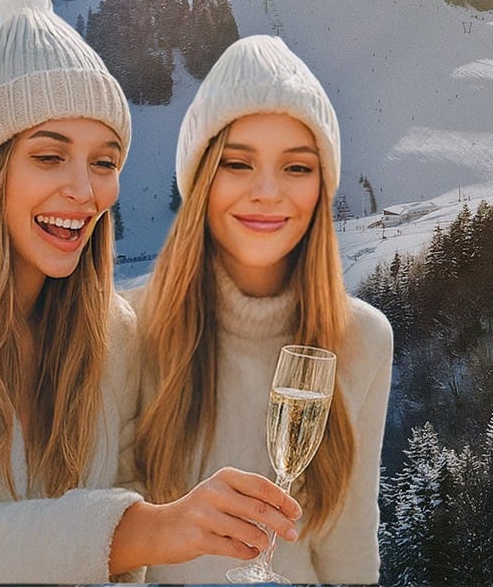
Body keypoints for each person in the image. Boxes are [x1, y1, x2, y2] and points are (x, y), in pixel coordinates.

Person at [0, 0, 300, 583]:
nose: (84, 191)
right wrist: (148, 529)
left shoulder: (112, 336)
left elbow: (128, 537)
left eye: (104, 162)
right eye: (49, 156)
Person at [135, 35, 391, 583]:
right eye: (237, 163)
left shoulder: (364, 338)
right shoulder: (130, 328)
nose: (268, 191)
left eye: (297, 168)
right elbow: (110, 549)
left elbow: (348, 553)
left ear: (321, 188)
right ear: (200, 181)